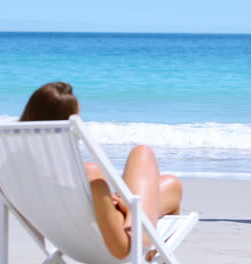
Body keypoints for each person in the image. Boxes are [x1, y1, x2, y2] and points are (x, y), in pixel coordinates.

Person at [20, 82, 183, 260]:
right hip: (120, 243)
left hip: (73, 242)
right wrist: (129, 209)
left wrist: (106, 202)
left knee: (170, 182)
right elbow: (121, 250)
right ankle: (152, 256)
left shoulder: (14, 173)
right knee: (144, 154)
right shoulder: (89, 174)